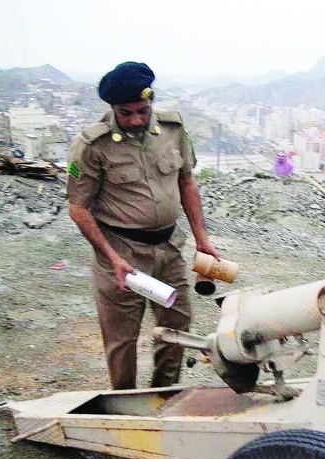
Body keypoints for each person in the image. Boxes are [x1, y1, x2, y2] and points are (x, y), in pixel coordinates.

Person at [67, 62, 219, 390]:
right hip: (121, 254)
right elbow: (77, 207)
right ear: (112, 109)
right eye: (126, 113)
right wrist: (111, 257)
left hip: (169, 250)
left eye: (142, 110)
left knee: (176, 330)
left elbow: (187, 182)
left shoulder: (173, 130)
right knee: (122, 341)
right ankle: (125, 407)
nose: (136, 119)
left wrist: (202, 239)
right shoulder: (91, 145)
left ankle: (164, 397)